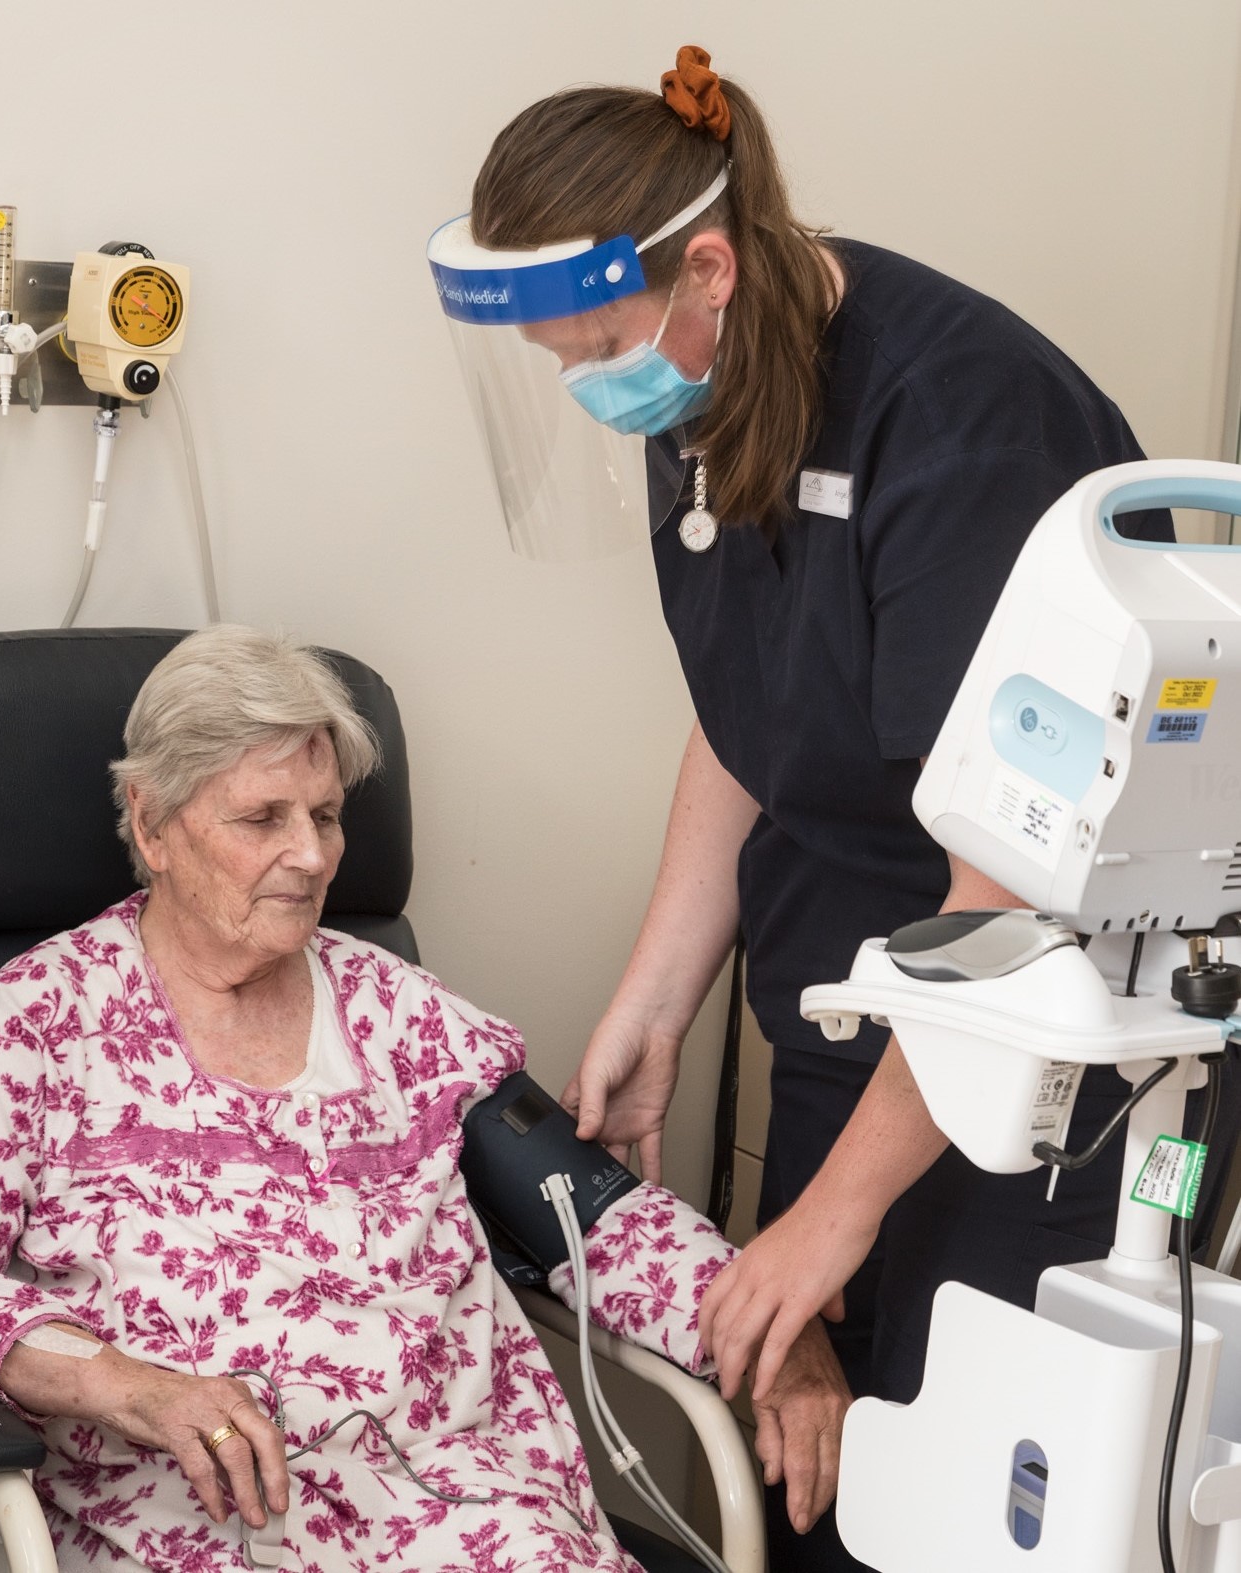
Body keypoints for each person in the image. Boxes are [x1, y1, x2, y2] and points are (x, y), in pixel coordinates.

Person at [429, 44, 1241, 1572]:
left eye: (588, 348)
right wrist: (659, 1000)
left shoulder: (962, 425)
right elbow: (749, 710)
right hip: (859, 1009)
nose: (583, 390)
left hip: (1041, 1066)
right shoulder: (716, 385)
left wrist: (831, 1218)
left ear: (711, 270)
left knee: (977, 1488)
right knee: (818, 1444)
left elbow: (1002, 896)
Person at [0, 624, 846, 1573]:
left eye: (325, 814)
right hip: (175, 1515)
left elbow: (593, 1218)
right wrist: (128, 1386)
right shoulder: (45, 1017)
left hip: (457, 1507)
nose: (312, 855)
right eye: (262, 818)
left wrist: (780, 1329)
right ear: (152, 824)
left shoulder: (398, 1011)